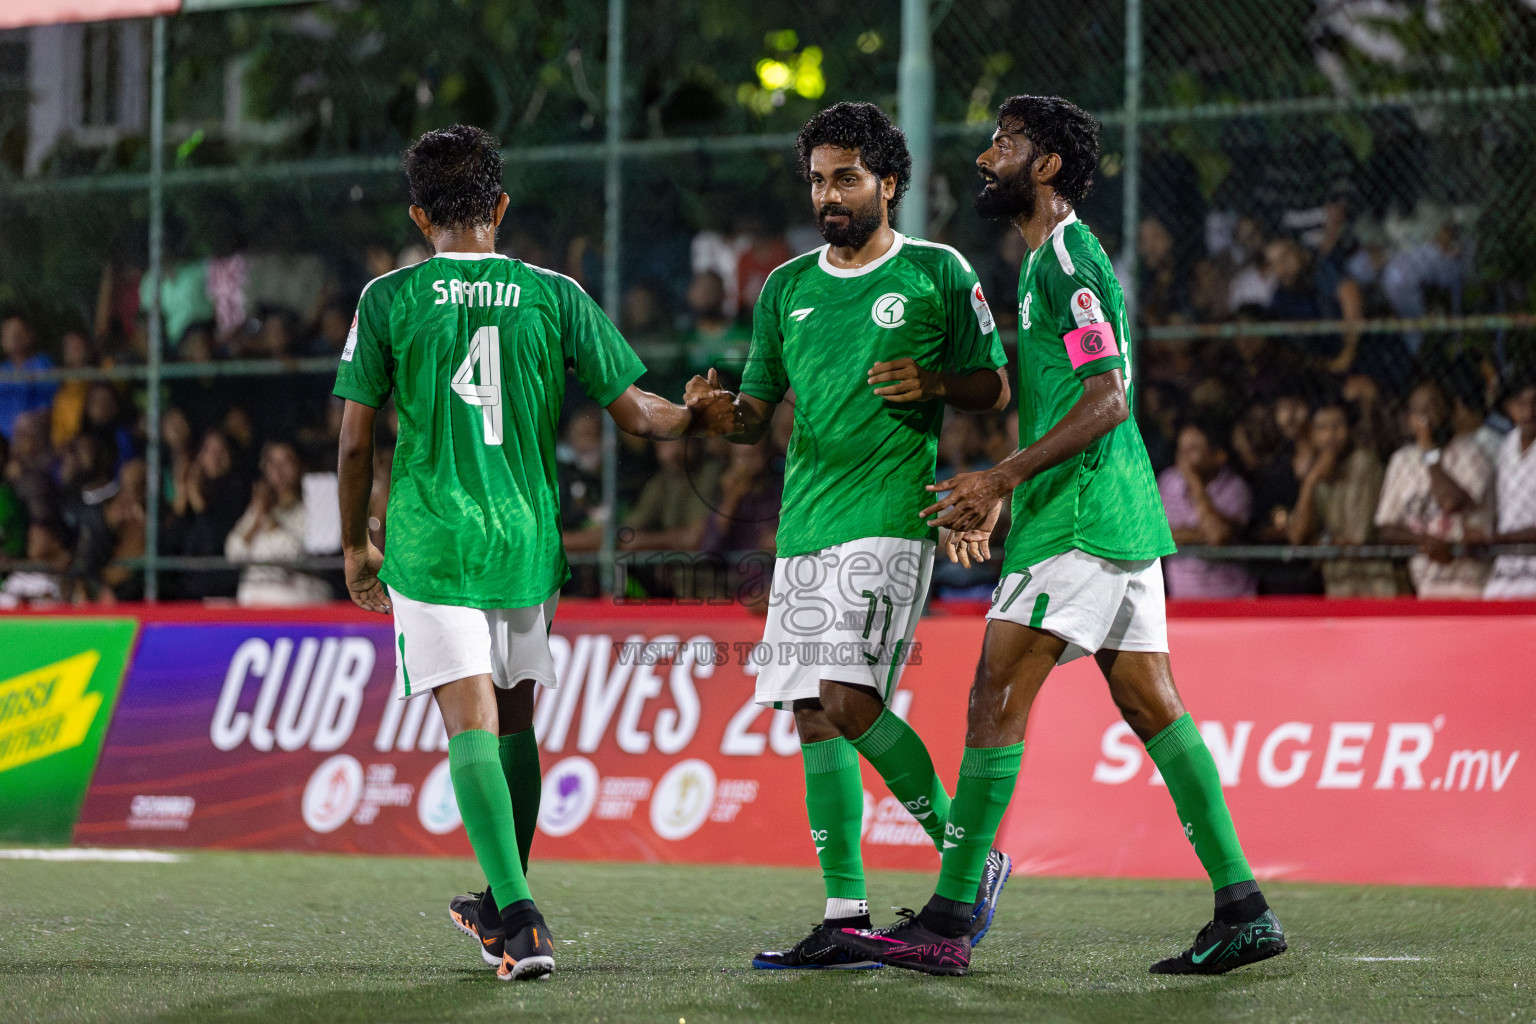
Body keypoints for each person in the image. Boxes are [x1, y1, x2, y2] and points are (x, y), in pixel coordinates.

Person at [830, 95, 1284, 977]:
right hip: (1113, 514)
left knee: (991, 698)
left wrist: (1002, 477)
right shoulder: (1050, 259)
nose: (984, 157)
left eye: (1005, 144)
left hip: (1079, 519)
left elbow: (1107, 398)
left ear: (1044, 167)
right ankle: (1245, 907)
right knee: (1152, 705)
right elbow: (1068, 400)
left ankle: (951, 917)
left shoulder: (1069, 259)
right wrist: (1006, 488)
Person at [332, 125, 731, 984]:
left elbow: (355, 441)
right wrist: (698, 411)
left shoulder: (389, 298)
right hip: (527, 541)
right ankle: (499, 896)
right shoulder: (555, 293)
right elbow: (639, 415)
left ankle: (517, 919)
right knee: (515, 723)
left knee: (467, 721)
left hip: (432, 539)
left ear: (417, 213)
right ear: (501, 207)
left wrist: (355, 547)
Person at [697, 101, 1013, 971]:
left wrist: (936, 380)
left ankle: (967, 854)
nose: (828, 195)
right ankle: (846, 915)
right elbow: (752, 417)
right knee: (811, 714)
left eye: (845, 178)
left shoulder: (936, 272)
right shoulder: (787, 289)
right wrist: (716, 414)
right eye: (817, 180)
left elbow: (992, 388)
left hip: (887, 518)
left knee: (844, 694)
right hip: (804, 527)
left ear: (889, 183)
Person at [1373, 381, 1494, 598]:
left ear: (1450, 412)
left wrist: (1430, 453)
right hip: (1425, 586)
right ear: (1409, 419)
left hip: (1470, 585)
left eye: (1432, 408)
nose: (1426, 418)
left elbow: (1449, 502)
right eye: (1419, 411)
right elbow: (1385, 527)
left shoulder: (1472, 454)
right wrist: (1422, 540)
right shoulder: (1402, 460)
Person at [1286, 403, 1398, 597]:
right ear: (1312, 434)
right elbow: (1297, 537)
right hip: (1338, 584)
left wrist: (1322, 541)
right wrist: (1310, 482)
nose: (1331, 435)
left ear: (1349, 430)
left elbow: (1357, 537)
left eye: (1337, 426)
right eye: (1322, 428)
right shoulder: (1315, 471)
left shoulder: (1363, 463)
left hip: (1374, 583)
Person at [1159, 419, 1257, 598]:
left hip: (1231, 601)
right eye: (1181, 450)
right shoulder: (1168, 482)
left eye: (1193, 449)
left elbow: (1217, 535)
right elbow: (1157, 537)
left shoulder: (1235, 488)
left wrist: (1195, 484)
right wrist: (1200, 535)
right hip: (1182, 602)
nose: (1184, 459)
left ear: (1218, 455)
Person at [225, 441, 332, 606]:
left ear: (299, 466)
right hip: (253, 600)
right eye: (272, 463)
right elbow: (233, 551)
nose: (278, 471)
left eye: (286, 462)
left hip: (296, 601)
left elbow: (294, 552)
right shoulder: (258, 507)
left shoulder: (315, 505)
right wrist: (257, 520)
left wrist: (268, 519)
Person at [1484, 376, 1536, 598]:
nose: (1529, 411)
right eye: (1521, 403)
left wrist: (1497, 538)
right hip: (1507, 568)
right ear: (1508, 407)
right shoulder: (1506, 446)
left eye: (1535, 403)